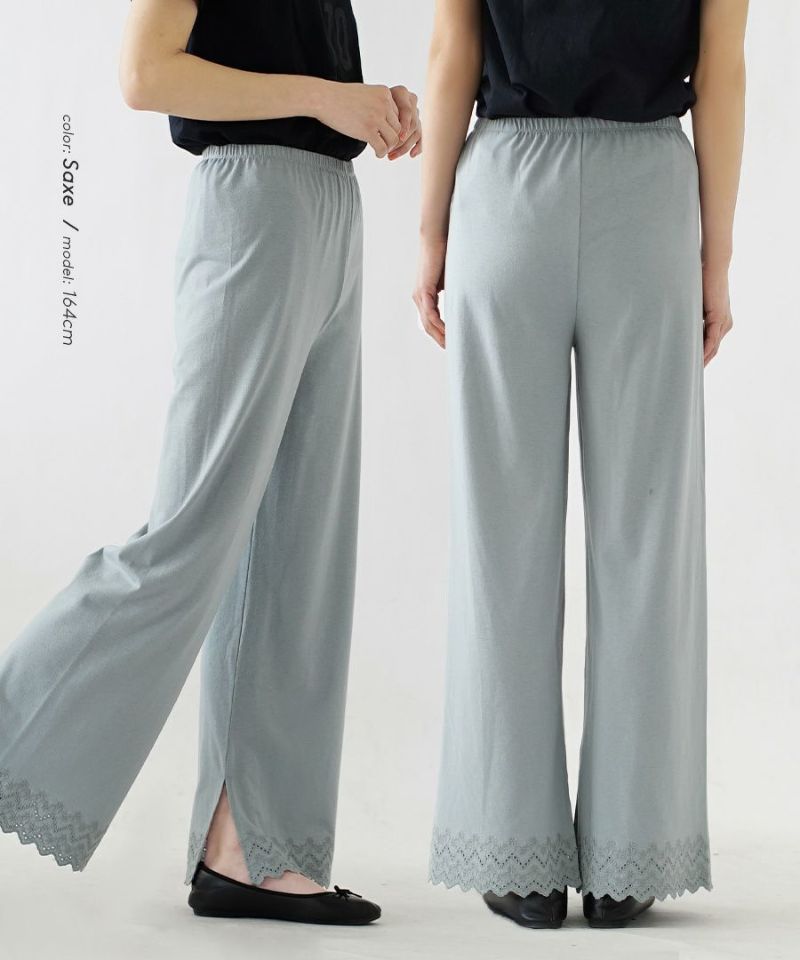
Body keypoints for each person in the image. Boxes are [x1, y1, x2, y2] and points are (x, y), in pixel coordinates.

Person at [0, 0, 420, 926]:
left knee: (300, 551)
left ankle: (256, 852)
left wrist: (369, 106)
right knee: (188, 534)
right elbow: (145, 74)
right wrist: (324, 97)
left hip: (328, 208)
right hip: (253, 205)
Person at [413, 0, 747, 929]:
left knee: (501, 532)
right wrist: (716, 257)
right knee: (647, 537)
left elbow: (452, 47)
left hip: (507, 188)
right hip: (649, 196)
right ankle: (631, 854)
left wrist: (432, 232)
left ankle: (511, 850)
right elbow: (722, 69)